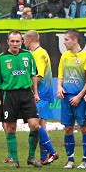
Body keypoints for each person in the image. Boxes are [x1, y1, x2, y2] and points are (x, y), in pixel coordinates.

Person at [0, 30, 45, 169]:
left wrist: (36, 93)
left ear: (22, 42)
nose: (15, 44)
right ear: (8, 42)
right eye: (12, 41)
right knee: (11, 127)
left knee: (35, 125)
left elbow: (33, 75)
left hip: (26, 94)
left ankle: (31, 157)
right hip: (9, 95)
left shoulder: (28, 55)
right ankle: (14, 160)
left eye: (17, 41)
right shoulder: (0, 59)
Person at [56, 29, 86, 169]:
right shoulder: (64, 56)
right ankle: (70, 159)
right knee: (68, 128)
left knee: (84, 128)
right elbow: (60, 75)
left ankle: (85, 160)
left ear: (75, 40)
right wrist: (59, 87)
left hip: (80, 98)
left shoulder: (85, 56)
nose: (64, 42)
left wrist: (79, 96)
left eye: (66, 39)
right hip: (66, 97)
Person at [23, 30, 60, 164]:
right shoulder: (40, 52)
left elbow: (38, 76)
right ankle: (45, 157)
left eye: (24, 40)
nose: (23, 42)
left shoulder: (38, 54)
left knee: (35, 124)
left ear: (29, 40)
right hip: (44, 93)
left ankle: (51, 151)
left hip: (41, 94)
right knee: (41, 124)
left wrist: (26, 86)